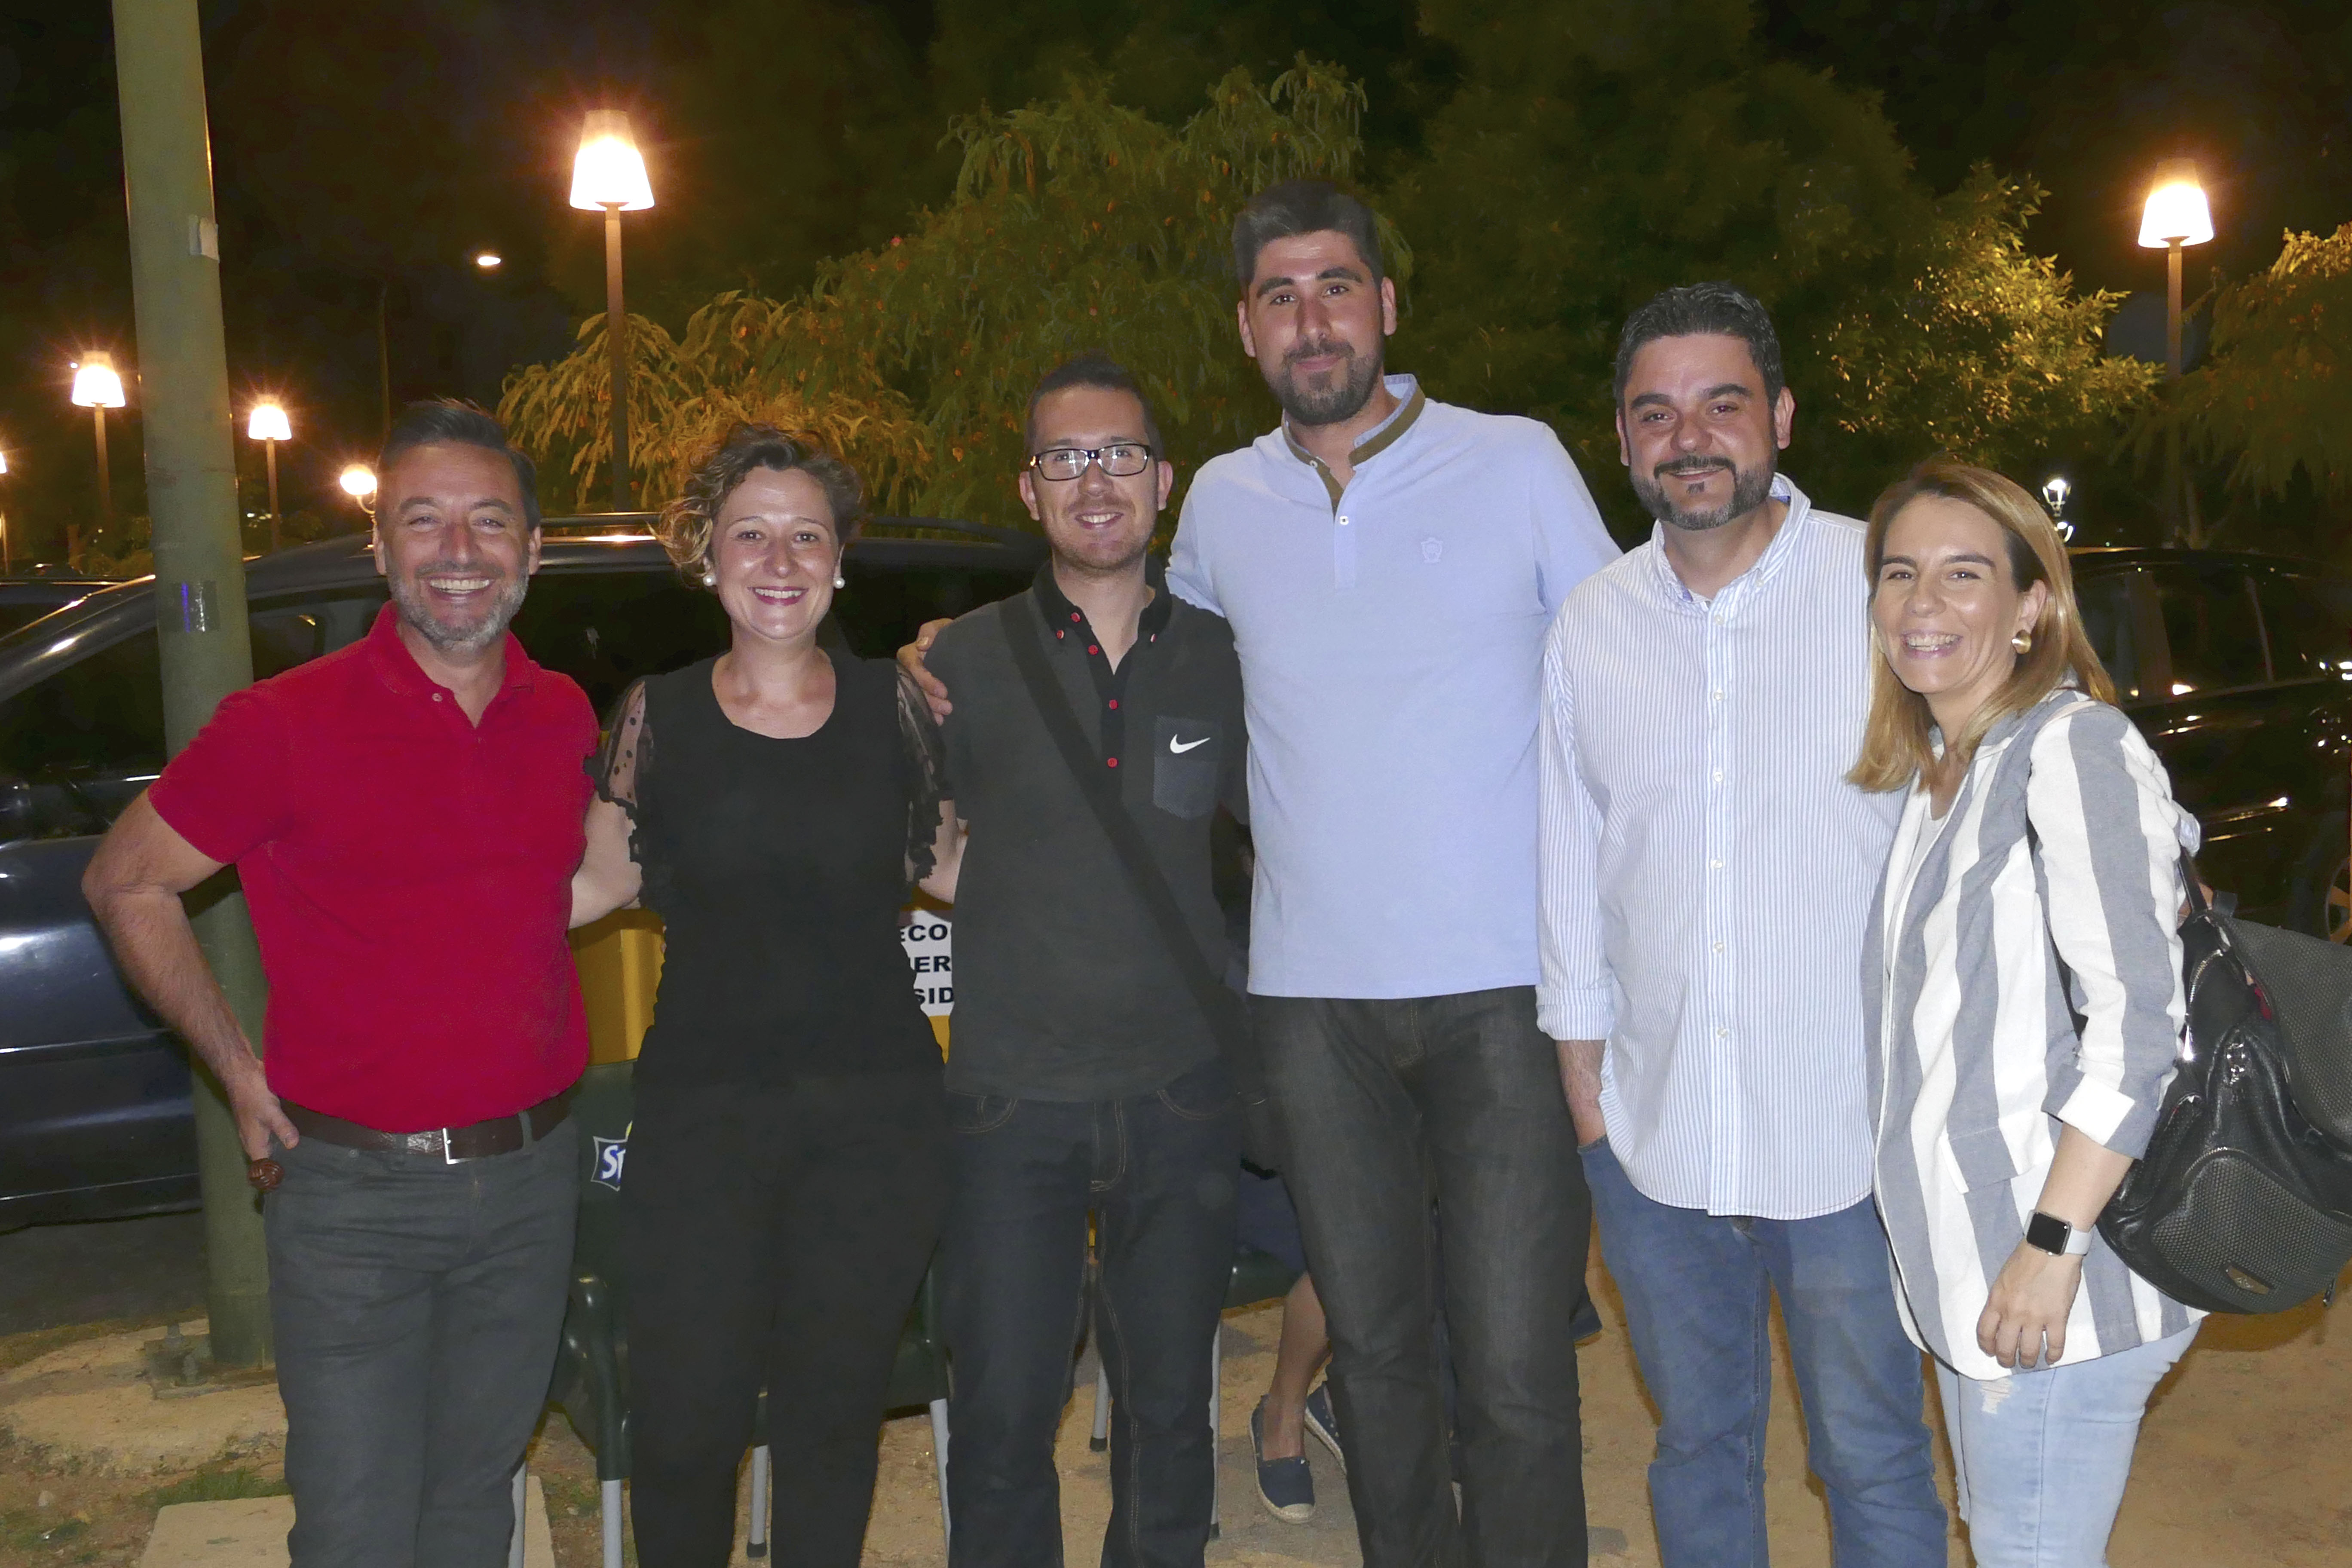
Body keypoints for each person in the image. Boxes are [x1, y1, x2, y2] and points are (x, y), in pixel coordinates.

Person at [906, 180, 1615, 1567]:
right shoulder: (1225, 504)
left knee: (1516, 1370)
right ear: (1247, 328)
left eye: (1337, 286)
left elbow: (1625, 658)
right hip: (1308, 1008)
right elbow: (1135, 667)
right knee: (1380, 1355)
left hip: (1503, 991)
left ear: (1386, 304)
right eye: (1281, 295)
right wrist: (941, 653)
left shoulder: (1517, 462)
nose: (1313, 318)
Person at [81, 401, 596, 1568]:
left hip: (531, 1185)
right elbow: (126, 880)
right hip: (354, 1201)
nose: (458, 550)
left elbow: (566, 891)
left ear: (532, 547)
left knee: (475, 1504)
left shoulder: (562, 712)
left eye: (488, 520)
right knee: (358, 1524)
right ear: (379, 544)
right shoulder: (283, 723)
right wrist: (236, 1072)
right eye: (423, 520)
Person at [1539, 283, 1948, 1567]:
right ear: (1622, 437)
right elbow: (1569, 866)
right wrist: (1591, 1103)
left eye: (1723, 404)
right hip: (1654, 1141)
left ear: (1780, 415)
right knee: (1698, 1447)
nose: (1691, 437)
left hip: (1849, 1138)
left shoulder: (1885, 593)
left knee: (1872, 1457)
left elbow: (2009, 775)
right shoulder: (1592, 623)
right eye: (1657, 413)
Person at [568, 425, 959, 1568]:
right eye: (751, 534)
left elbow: (958, 868)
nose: (779, 560)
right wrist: (413, 913)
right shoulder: (659, 713)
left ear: (840, 561)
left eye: (806, 536)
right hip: (702, 1124)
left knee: (831, 1424)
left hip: (877, 1125)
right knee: (685, 1426)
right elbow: (595, 882)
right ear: (709, 556)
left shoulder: (897, 704)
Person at [922, 354, 1245, 1567]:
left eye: (1119, 455)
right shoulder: (960, 662)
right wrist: (1020, 895)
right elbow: (918, 839)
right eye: (1065, 458)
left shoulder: (1224, 655)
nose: (1094, 481)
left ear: (1163, 481)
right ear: (1029, 487)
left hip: (1183, 1094)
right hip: (1012, 1103)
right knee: (1004, 1415)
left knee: (1170, 1413)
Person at [1855, 458, 2202, 1567]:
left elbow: (2139, 1030)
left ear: (2031, 606)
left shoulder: (2071, 747)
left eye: (1964, 574)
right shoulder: (1947, 770)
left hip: (2058, 1272)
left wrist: (2053, 1246)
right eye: (1900, 573)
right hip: (1983, 1268)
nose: (1924, 602)